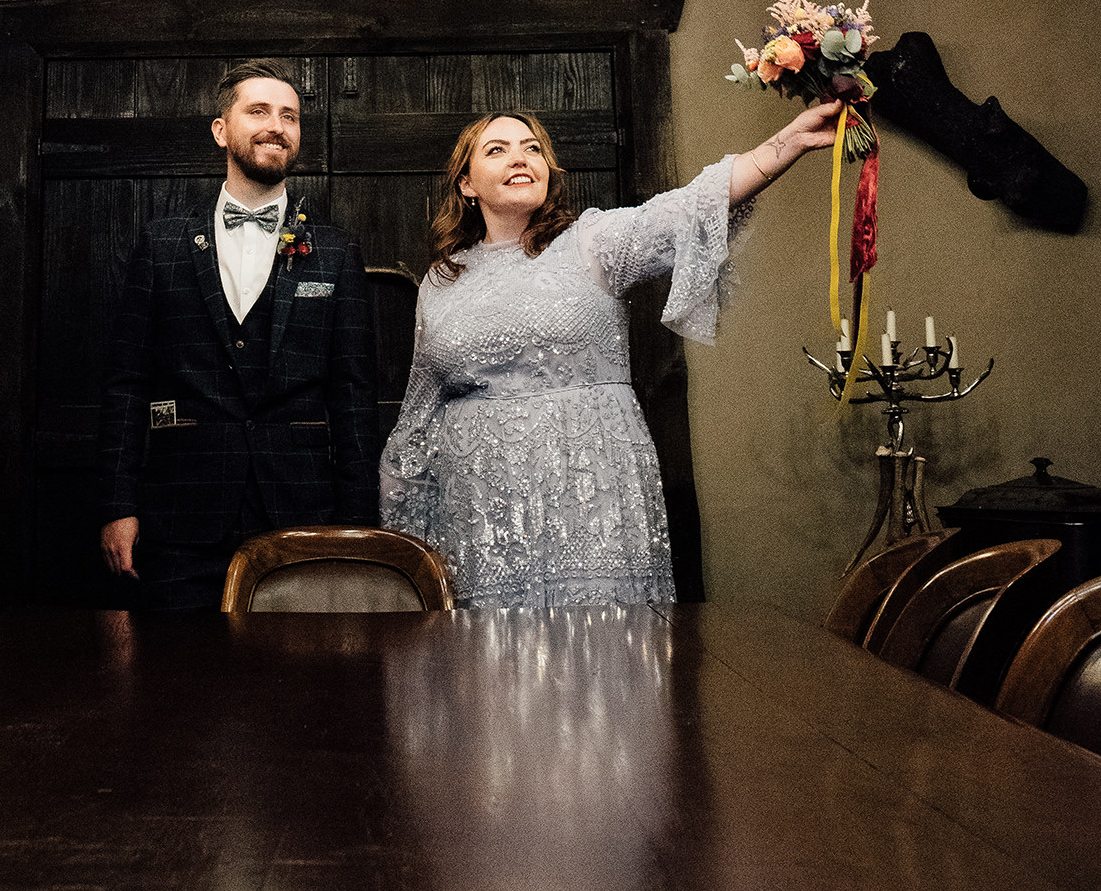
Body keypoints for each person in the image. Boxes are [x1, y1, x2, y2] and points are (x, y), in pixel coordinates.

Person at [380, 102, 840, 609]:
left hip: (590, 490)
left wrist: (787, 144)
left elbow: (688, 206)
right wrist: (404, 540)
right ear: (467, 184)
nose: (521, 159)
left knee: (598, 650)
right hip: (477, 509)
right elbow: (419, 414)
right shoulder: (443, 280)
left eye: (533, 149)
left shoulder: (592, 244)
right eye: (497, 150)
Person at [97, 58, 380, 612]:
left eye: (289, 116)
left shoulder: (336, 251)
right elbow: (126, 384)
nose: (276, 125)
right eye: (258, 111)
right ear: (221, 130)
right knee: (178, 685)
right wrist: (116, 505)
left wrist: (358, 526)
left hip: (300, 513)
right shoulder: (162, 244)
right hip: (181, 516)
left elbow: (353, 396)